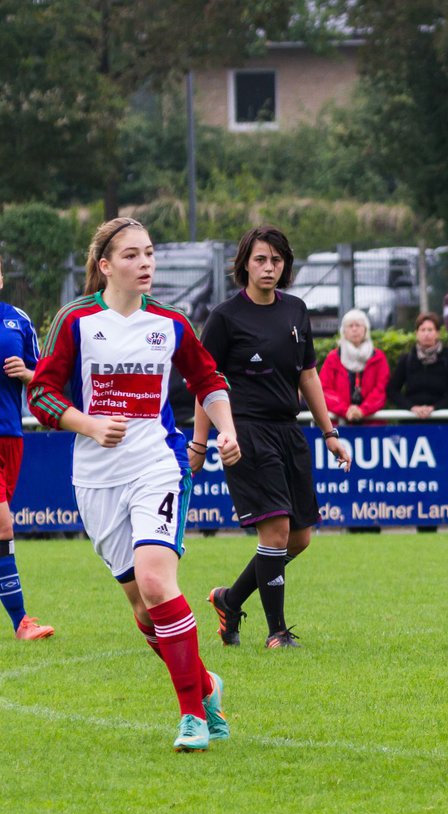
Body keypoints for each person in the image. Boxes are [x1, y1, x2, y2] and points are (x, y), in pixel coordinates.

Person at [28, 217, 242, 750]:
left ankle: (191, 715)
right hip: (96, 481)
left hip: (157, 466)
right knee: (144, 609)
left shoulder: (170, 322)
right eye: (131, 255)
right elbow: (42, 393)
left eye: (149, 253)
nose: (144, 263)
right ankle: (205, 685)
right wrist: (88, 423)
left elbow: (208, 379)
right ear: (105, 265)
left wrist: (227, 431)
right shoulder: (76, 320)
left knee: (154, 580)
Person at [195, 225, 351, 651]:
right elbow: (204, 382)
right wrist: (199, 441)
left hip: (289, 430)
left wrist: (330, 432)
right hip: (245, 432)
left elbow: (308, 374)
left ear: (286, 266)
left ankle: (229, 600)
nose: (268, 267)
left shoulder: (297, 310)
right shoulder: (225, 317)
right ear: (245, 262)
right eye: (260, 259)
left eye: (276, 261)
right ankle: (277, 632)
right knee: (276, 532)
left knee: (299, 538)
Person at [0, 257, 54, 640]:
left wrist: (26, 373)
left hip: (11, 436)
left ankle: (20, 622)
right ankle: (21, 623)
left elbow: (46, 378)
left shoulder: (18, 320)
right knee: (3, 525)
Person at [389, 311, 448, 417]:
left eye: (430, 330)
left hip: (440, 422)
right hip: (411, 422)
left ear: (437, 333)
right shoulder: (407, 359)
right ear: (416, 333)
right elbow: (392, 390)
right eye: (422, 330)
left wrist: (436, 408)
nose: (426, 334)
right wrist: (411, 407)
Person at [320, 308, 389, 425]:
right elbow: (324, 390)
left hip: (373, 425)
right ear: (344, 331)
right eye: (350, 326)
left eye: (358, 325)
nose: (354, 329)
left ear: (365, 329)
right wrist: (345, 410)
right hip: (340, 425)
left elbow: (382, 389)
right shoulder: (333, 358)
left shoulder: (378, 358)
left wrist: (363, 410)